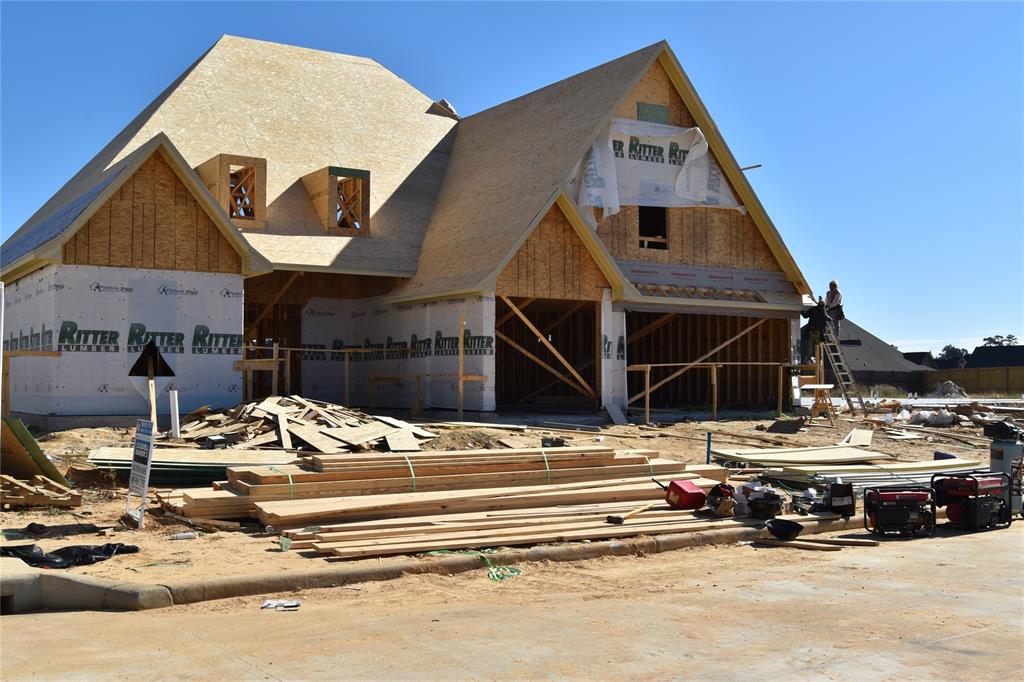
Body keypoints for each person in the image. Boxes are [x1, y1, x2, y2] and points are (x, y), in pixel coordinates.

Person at [801, 297, 831, 364]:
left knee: (809, 346)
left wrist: (801, 311)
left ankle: (808, 360)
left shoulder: (813, 309)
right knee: (818, 347)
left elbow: (805, 316)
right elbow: (828, 320)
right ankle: (819, 360)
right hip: (819, 332)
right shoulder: (824, 312)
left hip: (810, 331)